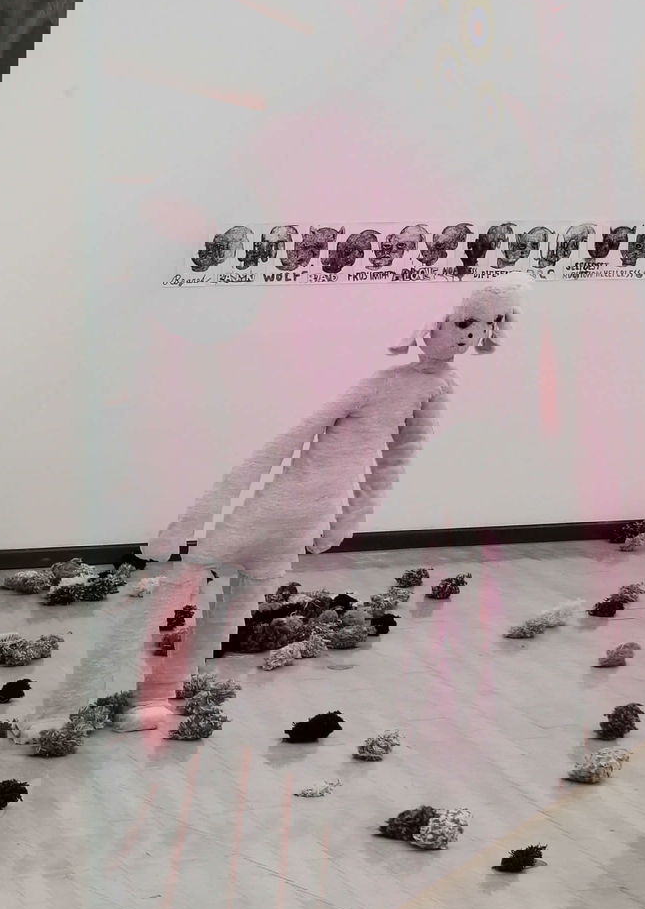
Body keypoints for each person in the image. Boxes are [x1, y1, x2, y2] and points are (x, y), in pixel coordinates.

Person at [139, 284, 522, 664]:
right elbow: (296, 437)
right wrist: (181, 530)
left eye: (476, 333)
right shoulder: (387, 380)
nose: (463, 340)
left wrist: (343, 523)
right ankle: (171, 638)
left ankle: (192, 647)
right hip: (298, 483)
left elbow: (394, 461)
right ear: (431, 326)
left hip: (325, 495)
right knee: (218, 558)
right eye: (460, 327)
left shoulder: (436, 385)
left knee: (252, 571)